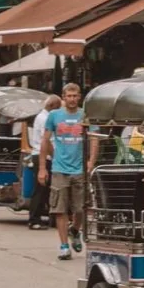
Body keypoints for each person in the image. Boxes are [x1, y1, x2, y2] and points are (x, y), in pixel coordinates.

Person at [38, 83, 86, 261]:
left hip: (80, 169)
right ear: (63, 97)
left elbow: (94, 139)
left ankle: (75, 230)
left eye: (75, 95)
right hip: (59, 169)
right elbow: (45, 141)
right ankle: (64, 245)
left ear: (79, 97)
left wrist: (90, 162)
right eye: (69, 96)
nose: (72, 99)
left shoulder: (85, 115)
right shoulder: (54, 116)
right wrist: (43, 167)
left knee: (80, 208)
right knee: (60, 209)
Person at [28, 94, 61, 230]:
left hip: (43, 155)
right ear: (52, 107)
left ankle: (48, 217)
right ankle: (34, 219)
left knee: (47, 189)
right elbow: (46, 141)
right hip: (43, 156)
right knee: (40, 189)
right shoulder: (45, 118)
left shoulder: (43, 116)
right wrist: (55, 157)